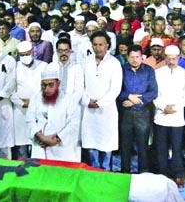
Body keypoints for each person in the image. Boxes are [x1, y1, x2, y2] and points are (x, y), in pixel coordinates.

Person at [81, 30, 122, 170]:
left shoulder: (114, 63)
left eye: (101, 45)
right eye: (95, 44)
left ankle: (106, 169)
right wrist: (87, 101)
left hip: (107, 110)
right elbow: (80, 85)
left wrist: (99, 103)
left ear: (108, 45)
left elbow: (115, 89)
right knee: (90, 140)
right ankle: (94, 168)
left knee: (107, 141)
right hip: (88, 109)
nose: (98, 48)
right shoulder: (85, 62)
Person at [153, 45, 185, 186]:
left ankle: (178, 174)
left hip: (177, 117)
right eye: (168, 59)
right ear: (165, 58)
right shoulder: (157, 73)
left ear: (179, 58)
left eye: (174, 59)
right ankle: (162, 173)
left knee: (177, 147)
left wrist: (174, 108)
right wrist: (163, 107)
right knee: (161, 147)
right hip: (161, 115)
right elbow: (154, 94)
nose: (171, 62)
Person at [117, 44, 158, 174]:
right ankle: (125, 173)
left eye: (137, 57)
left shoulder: (149, 71)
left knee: (143, 146)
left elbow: (153, 92)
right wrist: (128, 96)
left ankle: (143, 174)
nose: (135, 60)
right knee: (125, 146)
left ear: (142, 57)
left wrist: (136, 101)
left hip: (143, 113)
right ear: (127, 57)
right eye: (132, 57)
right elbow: (117, 90)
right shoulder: (121, 70)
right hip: (125, 114)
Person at [26, 68, 81, 161]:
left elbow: (73, 124)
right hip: (40, 147)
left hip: (61, 149)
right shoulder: (35, 98)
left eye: (51, 85)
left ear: (58, 84)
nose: (47, 89)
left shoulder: (69, 99)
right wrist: (41, 137)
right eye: (44, 85)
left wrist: (57, 139)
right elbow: (29, 120)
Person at [11, 40, 46, 159]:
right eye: (23, 55)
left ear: (32, 52)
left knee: (38, 144)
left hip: (39, 109)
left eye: (27, 54)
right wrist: (22, 103)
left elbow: (48, 87)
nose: (25, 57)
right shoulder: (14, 68)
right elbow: (10, 90)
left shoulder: (43, 66)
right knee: (21, 145)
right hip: (21, 111)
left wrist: (35, 102)